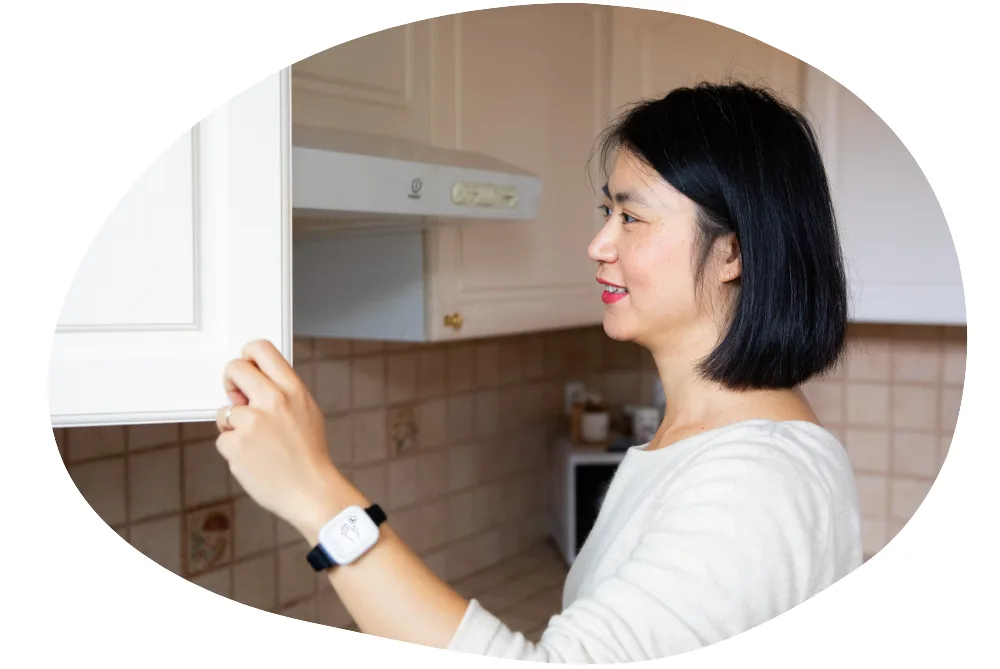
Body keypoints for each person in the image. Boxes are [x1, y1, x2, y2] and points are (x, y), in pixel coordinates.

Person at [213, 80, 863, 663]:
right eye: (606, 211)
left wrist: (315, 492)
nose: (599, 244)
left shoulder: (755, 483)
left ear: (733, 252)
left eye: (631, 218)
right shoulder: (698, 443)